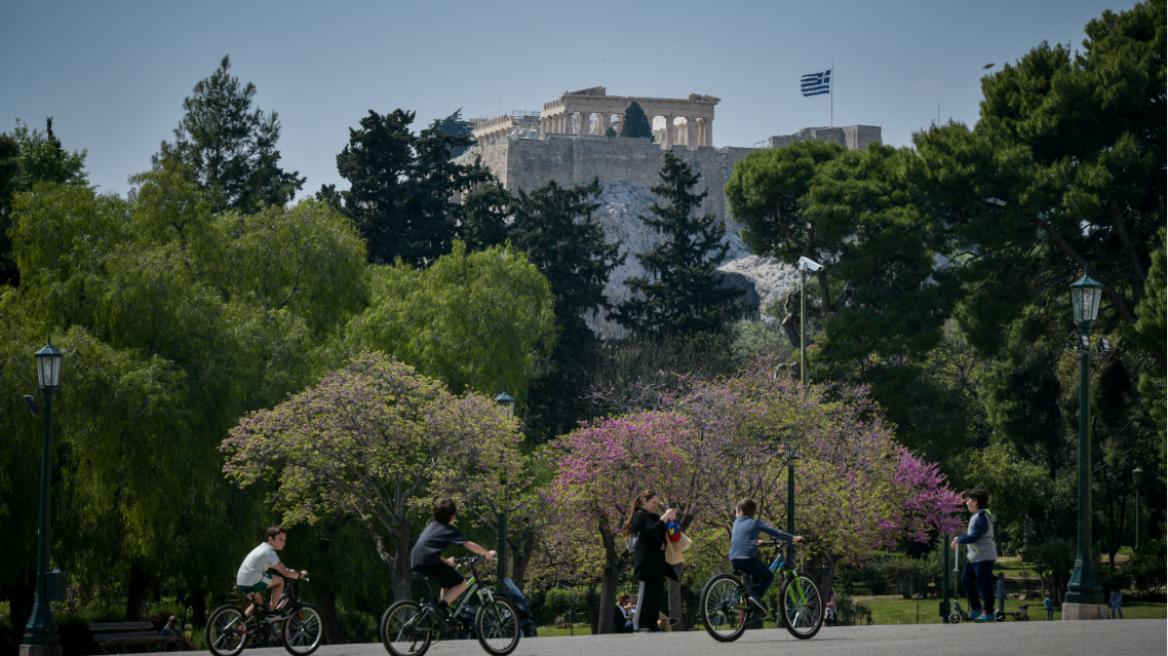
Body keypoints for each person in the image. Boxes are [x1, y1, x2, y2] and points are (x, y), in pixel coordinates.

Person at [409, 498, 496, 631]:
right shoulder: (449, 529)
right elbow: (468, 544)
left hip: (415, 560)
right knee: (461, 583)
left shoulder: (431, 526)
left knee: (446, 583)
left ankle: (442, 616)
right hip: (429, 561)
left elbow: (427, 550)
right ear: (453, 516)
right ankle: (440, 608)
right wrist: (487, 553)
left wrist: (446, 561)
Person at [729, 499, 801, 620]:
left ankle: (753, 604)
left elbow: (741, 538)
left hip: (734, 559)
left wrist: (755, 542)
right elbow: (775, 532)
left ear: (740, 511)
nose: (735, 514)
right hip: (747, 558)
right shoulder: (754, 522)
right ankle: (755, 598)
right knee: (768, 577)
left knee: (755, 578)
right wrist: (793, 538)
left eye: (735, 511)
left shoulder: (736, 523)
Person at [623, 490, 677, 633]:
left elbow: (663, 530)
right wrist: (665, 516)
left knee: (656, 595)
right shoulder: (639, 516)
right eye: (653, 502)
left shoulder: (655, 516)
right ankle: (639, 625)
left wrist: (671, 521)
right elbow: (651, 530)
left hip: (658, 562)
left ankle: (652, 624)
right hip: (646, 563)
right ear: (645, 501)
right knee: (645, 596)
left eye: (656, 503)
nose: (655, 505)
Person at [236, 526, 306, 617]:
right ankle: (272, 612)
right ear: (270, 539)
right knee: (280, 581)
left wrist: (290, 572)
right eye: (280, 539)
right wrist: (300, 574)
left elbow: (281, 567)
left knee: (258, 604)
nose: (283, 542)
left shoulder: (262, 548)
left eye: (284, 540)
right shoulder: (270, 553)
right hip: (252, 579)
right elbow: (285, 573)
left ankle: (241, 625)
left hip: (242, 580)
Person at [950, 489, 997, 623]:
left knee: (984, 584)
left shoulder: (983, 517)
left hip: (984, 556)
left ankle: (988, 612)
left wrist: (960, 540)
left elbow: (975, 536)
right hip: (975, 557)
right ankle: (976, 608)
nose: (966, 502)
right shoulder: (977, 516)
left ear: (975, 501)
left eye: (968, 499)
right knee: (966, 579)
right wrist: (959, 538)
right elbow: (970, 534)